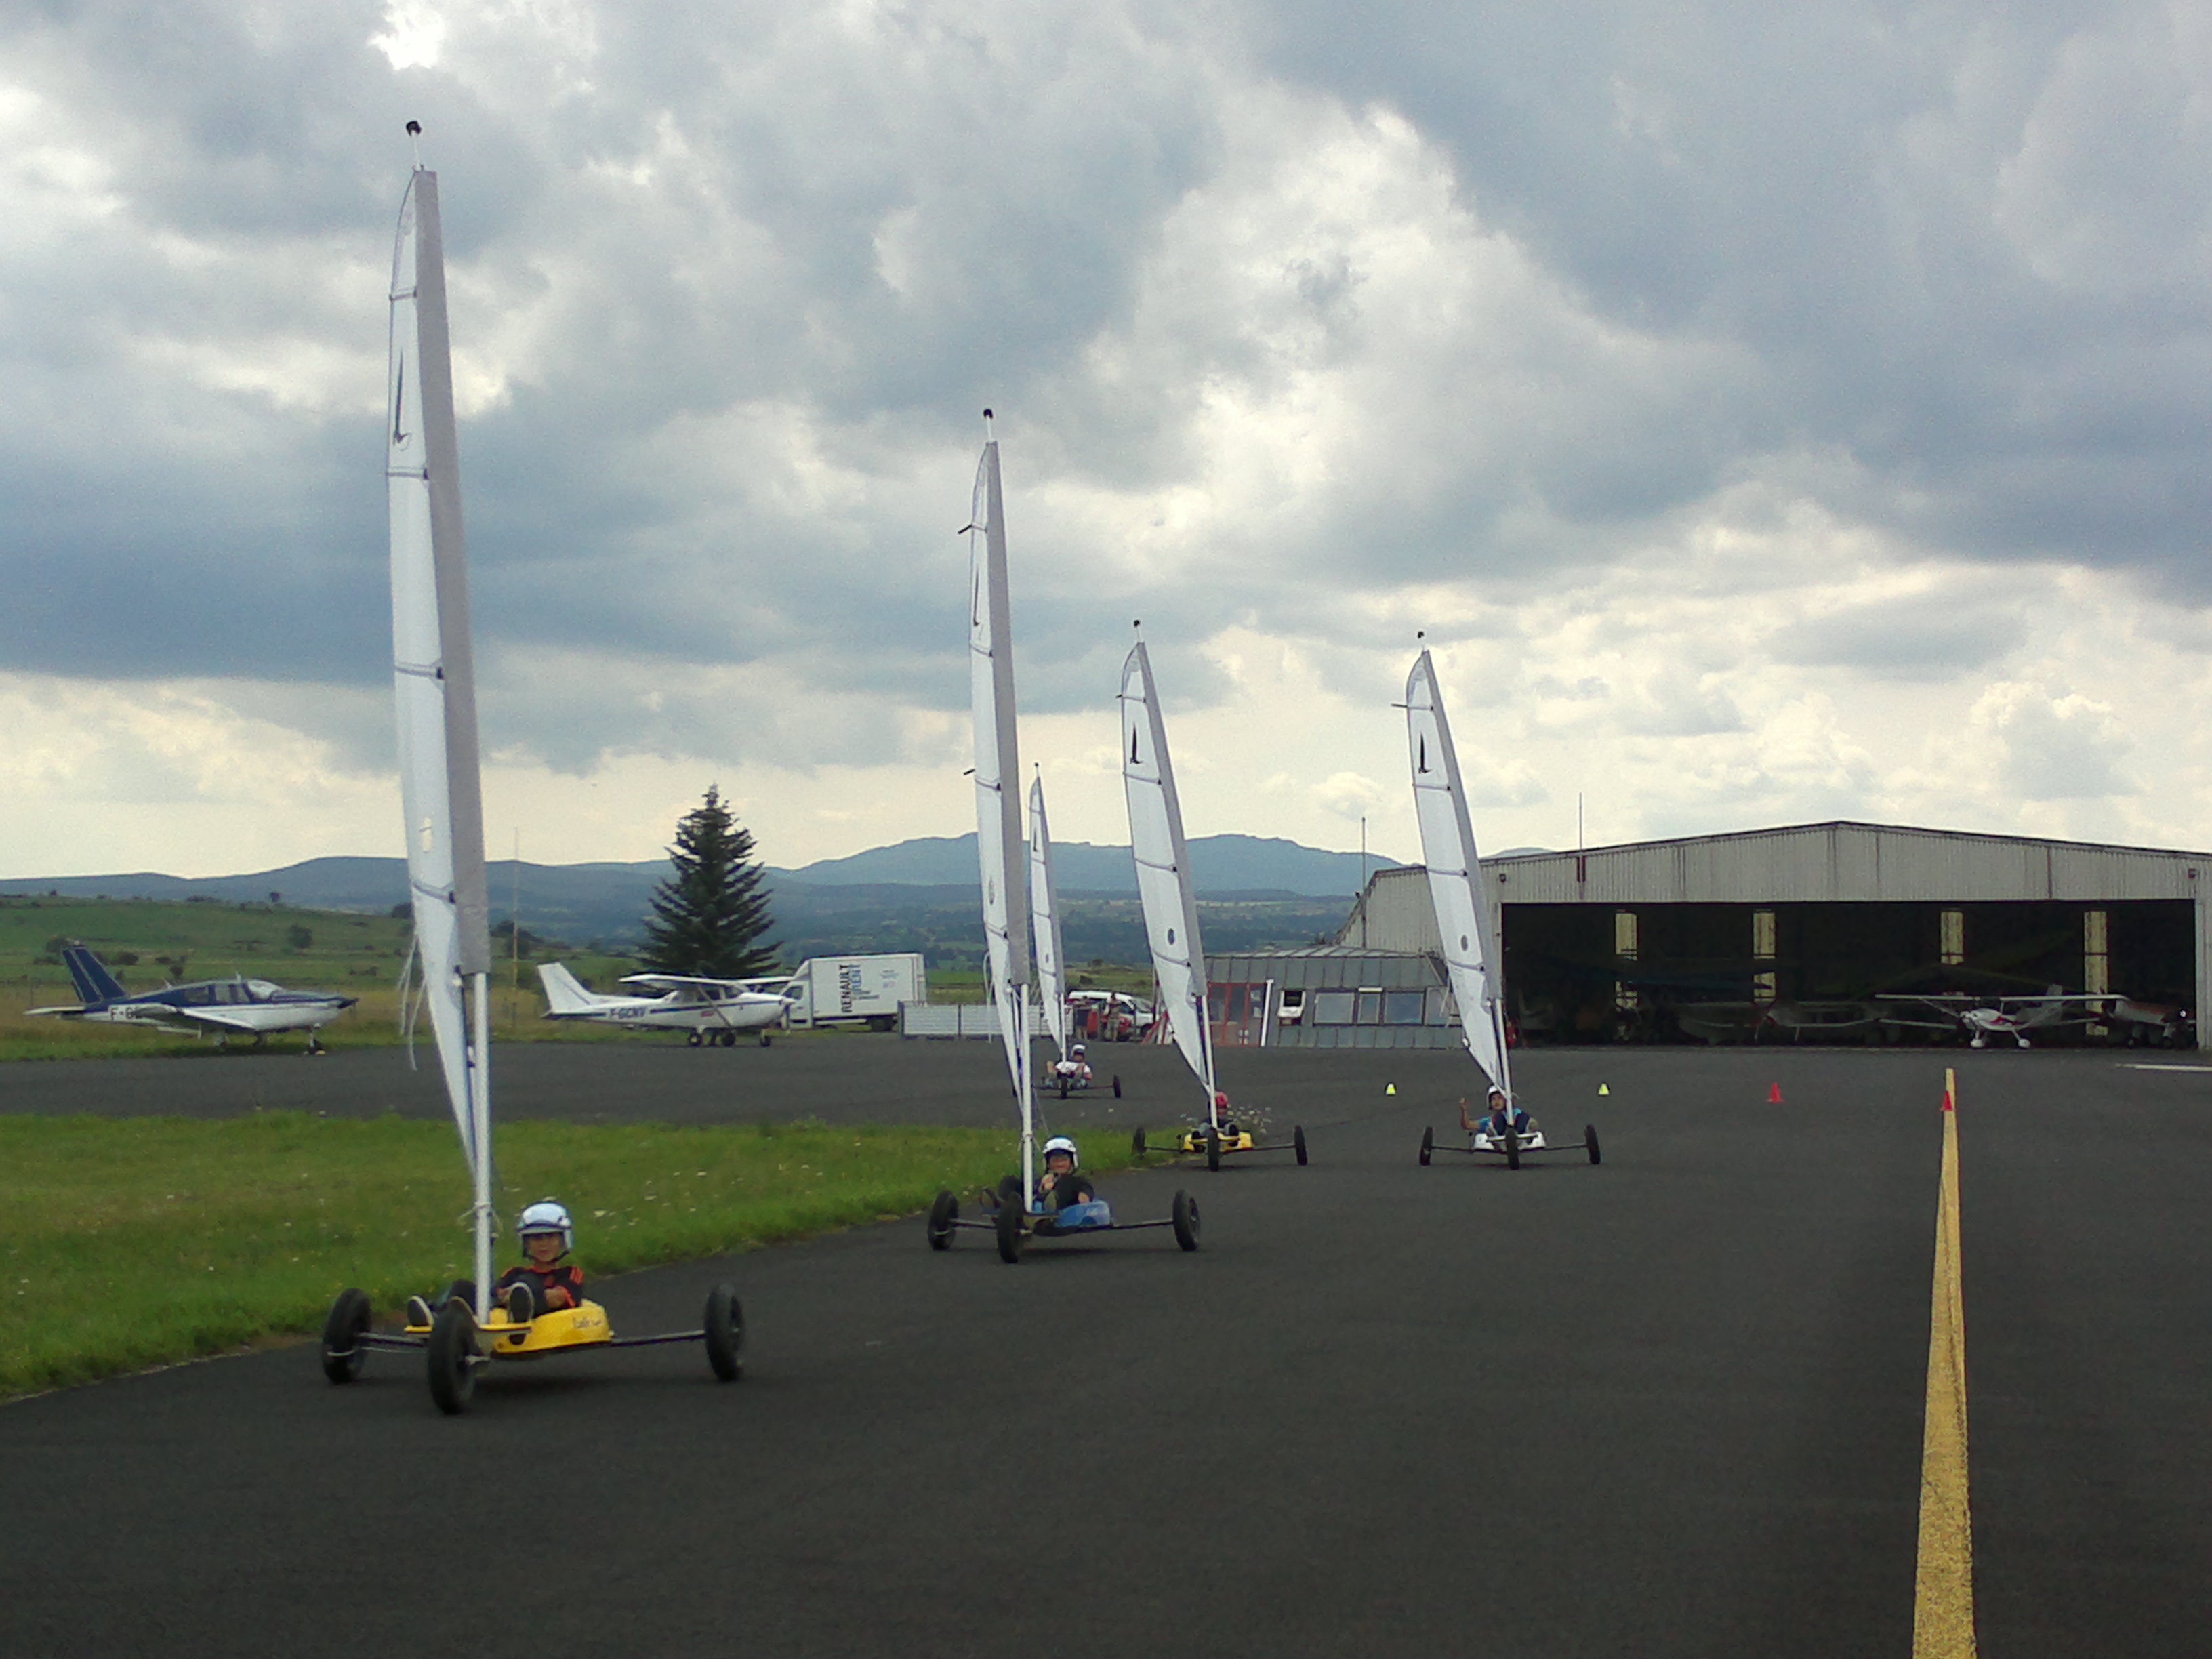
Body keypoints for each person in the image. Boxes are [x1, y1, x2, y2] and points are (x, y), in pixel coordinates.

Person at [407, 1200, 584, 1327]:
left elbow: (558, 1298)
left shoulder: (570, 1273)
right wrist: (508, 1297)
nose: (543, 1244)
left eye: (550, 1237)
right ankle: (436, 1316)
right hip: (502, 1313)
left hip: (541, 1320)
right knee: (461, 1287)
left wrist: (521, 1295)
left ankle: (521, 1311)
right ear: (526, 1243)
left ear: (563, 1240)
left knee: (526, 1283)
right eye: (536, 1238)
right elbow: (495, 1294)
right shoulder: (513, 1273)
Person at [1033, 1136, 1095, 1210]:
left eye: (1064, 1160)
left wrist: (1084, 1195)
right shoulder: (1043, 1180)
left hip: (1071, 1214)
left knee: (1065, 1182)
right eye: (1055, 1160)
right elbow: (1033, 1193)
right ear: (1048, 1164)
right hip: (1044, 1214)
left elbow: (1086, 1187)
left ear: (1072, 1162)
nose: (1059, 1164)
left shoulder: (1078, 1180)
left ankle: (1053, 1205)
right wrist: (1043, 1188)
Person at [1461, 1086, 1532, 1142]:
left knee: (1523, 1118)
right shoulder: (1491, 1121)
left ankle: (1527, 1130)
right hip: (1501, 1143)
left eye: (1500, 1098)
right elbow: (1467, 1125)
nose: (1496, 1101)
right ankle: (1495, 1133)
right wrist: (1464, 1111)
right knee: (1497, 1120)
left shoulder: (1516, 1113)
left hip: (1520, 1139)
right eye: (1493, 1099)